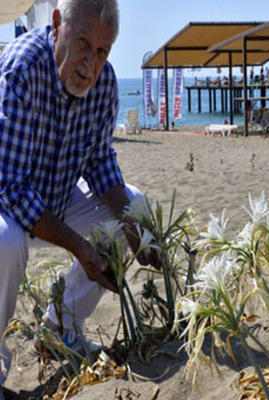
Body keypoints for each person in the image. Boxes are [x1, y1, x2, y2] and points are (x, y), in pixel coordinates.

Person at [0, 0, 159, 395]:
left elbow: (100, 163)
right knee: (6, 241)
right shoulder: (22, 69)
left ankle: (62, 327)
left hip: (55, 196)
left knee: (133, 207)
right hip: (6, 201)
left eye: (102, 51)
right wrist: (79, 247)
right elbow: (11, 188)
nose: (91, 64)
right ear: (57, 25)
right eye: (84, 43)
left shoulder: (104, 84)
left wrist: (135, 229)